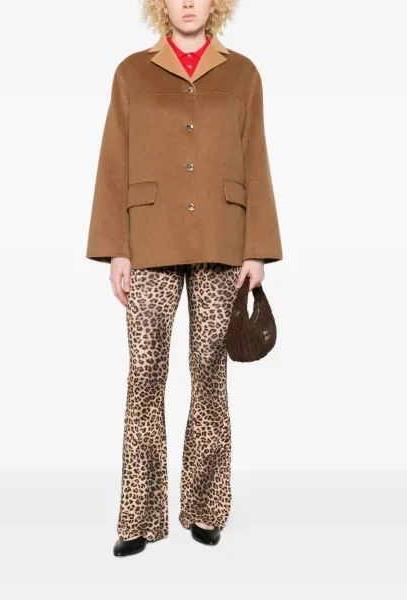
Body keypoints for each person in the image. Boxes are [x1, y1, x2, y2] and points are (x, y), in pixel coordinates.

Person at [86, 0, 283, 558]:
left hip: (223, 238)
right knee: (145, 373)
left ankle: (205, 508)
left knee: (209, 373)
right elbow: (114, 161)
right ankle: (139, 516)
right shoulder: (131, 72)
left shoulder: (242, 73)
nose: (189, 2)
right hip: (148, 240)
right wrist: (116, 249)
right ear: (161, 4)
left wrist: (257, 248)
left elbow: (256, 158)